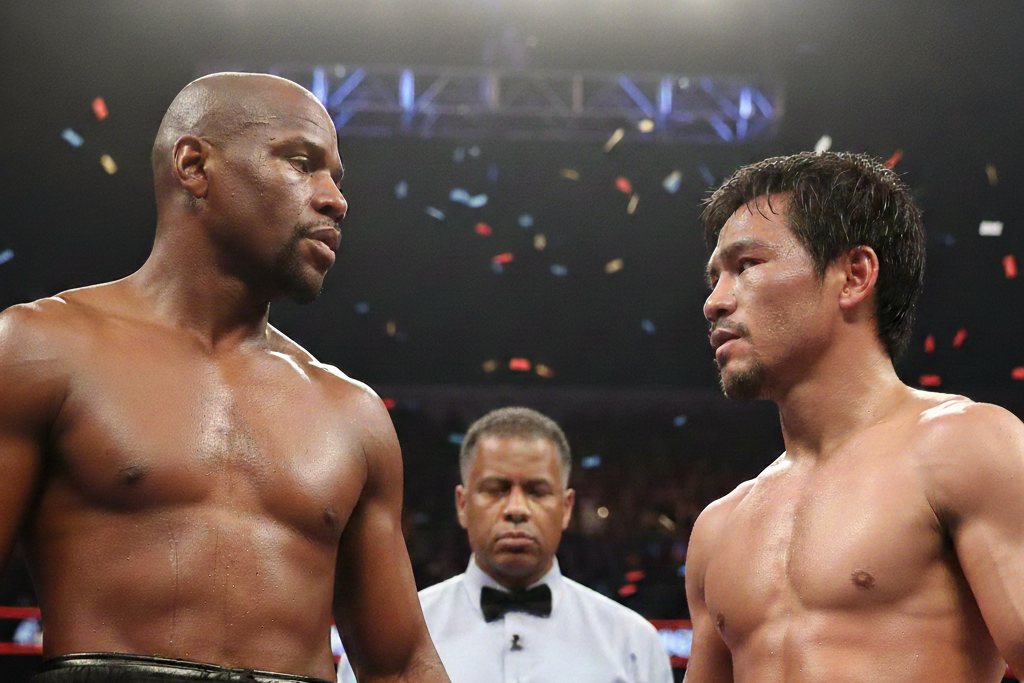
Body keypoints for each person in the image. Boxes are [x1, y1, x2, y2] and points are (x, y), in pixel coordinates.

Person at [0, 72, 449, 683]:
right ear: (194, 165)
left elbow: (401, 666)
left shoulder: (353, 414)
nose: (335, 200)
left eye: (335, 179)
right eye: (301, 162)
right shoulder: (41, 350)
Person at [685, 151, 1024, 682]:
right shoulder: (718, 528)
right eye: (715, 276)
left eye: (745, 266)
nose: (715, 301)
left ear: (854, 275)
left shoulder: (967, 447)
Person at [338, 407, 674, 683]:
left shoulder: (633, 643)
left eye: (537, 491)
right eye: (496, 489)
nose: (516, 509)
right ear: (462, 504)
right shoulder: (390, 639)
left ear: (567, 507)